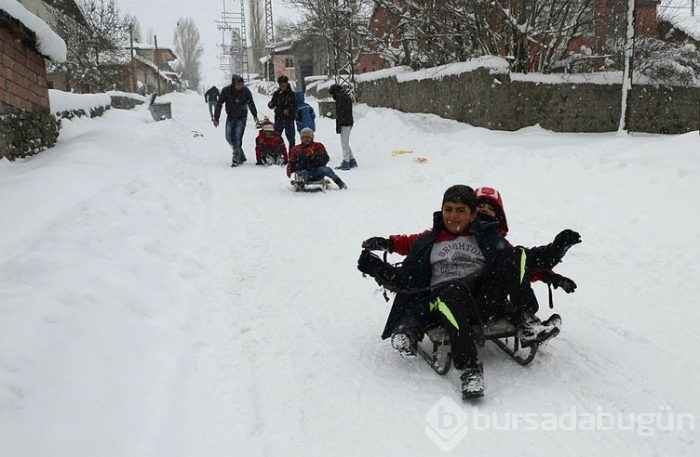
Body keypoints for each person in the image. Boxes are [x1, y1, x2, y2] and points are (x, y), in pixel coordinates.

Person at [358, 185, 581, 397]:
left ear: (472, 215)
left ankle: (526, 320)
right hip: (442, 302)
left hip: (481, 302)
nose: (453, 216)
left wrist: (555, 256)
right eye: (449, 210)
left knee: (516, 254)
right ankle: (470, 369)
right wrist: (387, 243)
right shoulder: (431, 238)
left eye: (461, 211)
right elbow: (408, 245)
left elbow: (519, 266)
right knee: (451, 291)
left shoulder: (487, 239)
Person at [213, 74, 259, 167]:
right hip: (230, 116)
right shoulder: (226, 90)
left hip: (242, 117)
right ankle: (240, 153)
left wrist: (255, 115)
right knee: (228, 137)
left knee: (238, 137)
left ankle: (236, 157)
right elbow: (219, 104)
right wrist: (216, 117)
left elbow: (251, 103)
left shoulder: (246, 91)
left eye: (242, 84)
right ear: (234, 83)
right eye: (238, 84)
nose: (240, 86)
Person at [328, 84, 357, 170]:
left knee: (344, 143)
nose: (332, 96)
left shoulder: (340, 98)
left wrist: (338, 126)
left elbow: (340, 113)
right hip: (349, 121)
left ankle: (346, 162)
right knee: (345, 142)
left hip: (345, 123)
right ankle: (351, 160)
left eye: (332, 94)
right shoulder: (345, 96)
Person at [267, 75, 297, 151]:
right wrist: (270, 104)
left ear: (287, 84)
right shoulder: (276, 94)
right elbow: (273, 103)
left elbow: (295, 106)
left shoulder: (291, 94)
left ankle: (292, 155)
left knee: (291, 139)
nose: (282, 86)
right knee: (276, 138)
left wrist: (288, 110)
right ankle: (278, 154)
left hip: (289, 119)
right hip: (278, 118)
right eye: (281, 84)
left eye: (284, 84)